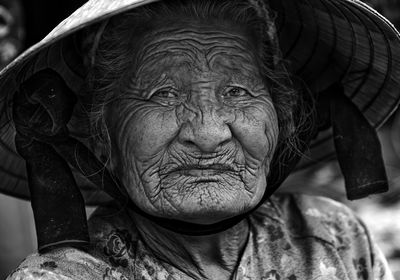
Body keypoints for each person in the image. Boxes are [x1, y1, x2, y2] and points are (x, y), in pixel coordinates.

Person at [1, 0, 400, 279]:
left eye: (237, 92)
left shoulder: (333, 233)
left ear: (283, 117)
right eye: (163, 95)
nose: (208, 134)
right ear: (102, 134)